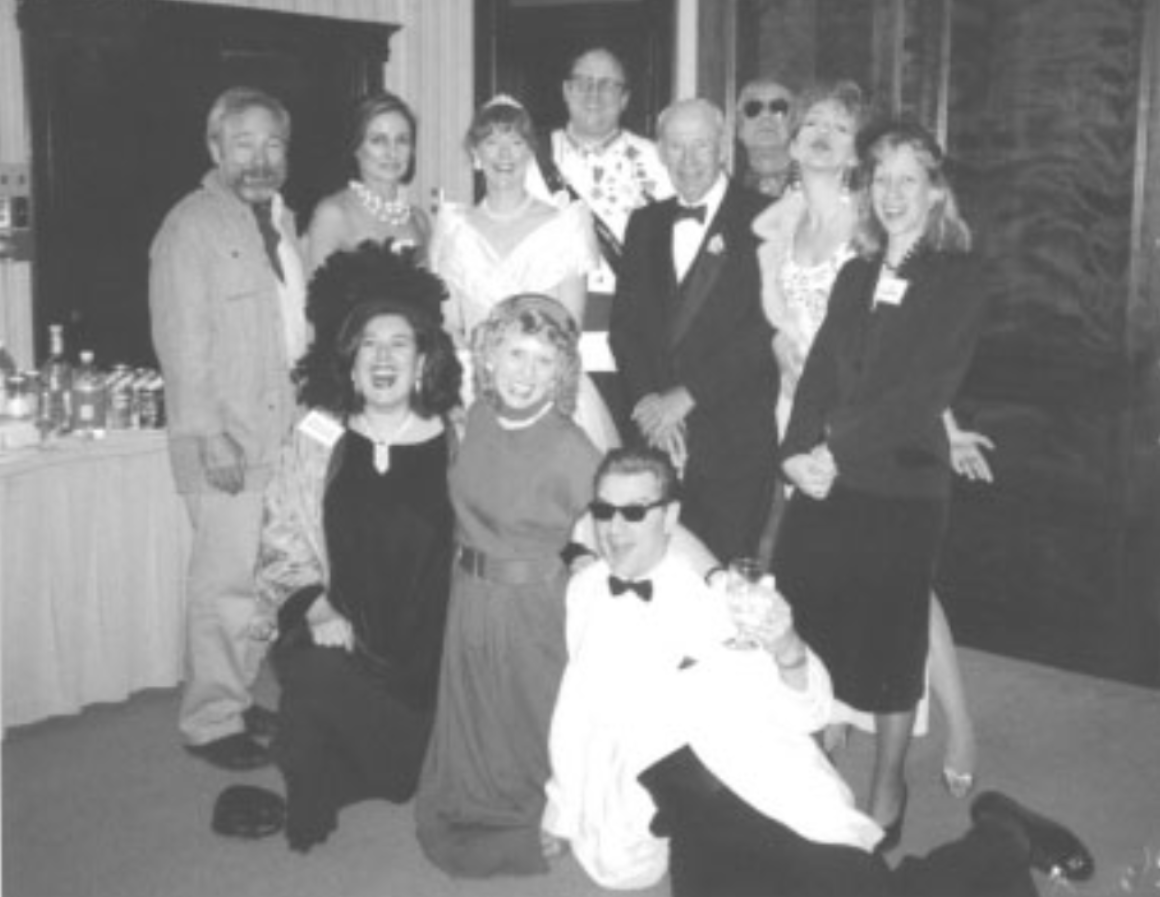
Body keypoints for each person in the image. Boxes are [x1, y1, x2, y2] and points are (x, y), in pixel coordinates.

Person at [546, 447, 1094, 897]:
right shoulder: (586, 592)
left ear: (669, 518)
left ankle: (1001, 834)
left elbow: (809, 708)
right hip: (689, 820)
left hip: (759, 793)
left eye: (635, 512)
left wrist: (786, 645)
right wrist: (561, 808)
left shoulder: (720, 600)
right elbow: (576, 709)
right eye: (604, 511)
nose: (614, 528)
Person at [755, 82, 986, 800]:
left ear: (935, 192)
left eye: (908, 181)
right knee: (809, 612)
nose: (892, 194)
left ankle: (888, 787)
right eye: (882, 179)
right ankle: (819, 781)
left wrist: (833, 449)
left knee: (891, 641)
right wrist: (793, 454)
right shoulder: (857, 273)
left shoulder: (957, 277)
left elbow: (920, 391)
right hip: (828, 472)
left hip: (901, 477)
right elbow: (819, 372)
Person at [238, 242, 460, 850]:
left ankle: (372, 753)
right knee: (310, 674)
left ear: (423, 361)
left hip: (427, 654)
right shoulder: (317, 438)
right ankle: (314, 780)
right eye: (369, 344)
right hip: (340, 636)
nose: (383, 357)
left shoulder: (457, 440)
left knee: (399, 782)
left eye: (399, 344)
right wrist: (316, 608)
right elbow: (280, 530)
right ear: (352, 362)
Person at [414, 293, 604, 878]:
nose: (526, 373)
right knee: (474, 715)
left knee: (529, 718)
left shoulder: (571, 446)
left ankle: (544, 810)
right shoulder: (475, 418)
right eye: (516, 354)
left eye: (545, 361)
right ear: (490, 356)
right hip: (469, 597)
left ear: (562, 373)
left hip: (532, 608)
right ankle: (475, 801)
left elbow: (613, 527)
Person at [149, 86, 307, 771]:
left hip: (279, 437)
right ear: (215, 148)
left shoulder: (281, 221)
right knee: (224, 589)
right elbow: (181, 341)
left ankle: (236, 697)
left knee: (260, 583)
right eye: (243, 144)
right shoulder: (190, 227)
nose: (259, 158)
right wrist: (209, 434)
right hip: (227, 441)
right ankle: (211, 721)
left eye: (272, 144)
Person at [610, 98, 778, 562]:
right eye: (676, 146)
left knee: (723, 576)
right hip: (655, 439)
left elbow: (767, 327)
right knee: (653, 572)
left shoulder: (770, 218)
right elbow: (624, 328)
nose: (688, 160)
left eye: (700, 145)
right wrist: (650, 405)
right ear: (661, 152)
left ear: (722, 147)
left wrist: (687, 395)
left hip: (734, 439)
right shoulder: (644, 223)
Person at [431, 95, 620, 453]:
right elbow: (450, 324)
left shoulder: (565, 224)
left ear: (530, 152)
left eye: (516, 142)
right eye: (492, 142)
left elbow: (569, 326)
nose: (505, 155)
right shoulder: (453, 227)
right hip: (476, 387)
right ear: (475, 153)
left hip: (545, 385)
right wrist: (483, 378)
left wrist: (527, 381)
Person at [527, 46, 673, 432]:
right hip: (549, 347)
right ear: (566, 91)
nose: (594, 94)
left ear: (625, 98)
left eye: (608, 85)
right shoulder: (529, 160)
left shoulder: (659, 162)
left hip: (635, 352)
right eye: (583, 83)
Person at [304, 92, 431, 274]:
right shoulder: (333, 214)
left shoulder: (419, 220)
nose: (392, 152)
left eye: (402, 140)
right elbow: (315, 289)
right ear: (356, 148)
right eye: (378, 140)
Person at [735, 77, 795, 199]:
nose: (766, 116)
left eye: (778, 108)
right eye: (753, 109)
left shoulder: (819, 186)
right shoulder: (723, 190)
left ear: (793, 123)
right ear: (740, 127)